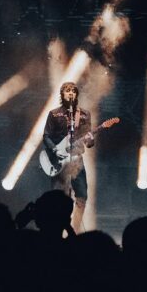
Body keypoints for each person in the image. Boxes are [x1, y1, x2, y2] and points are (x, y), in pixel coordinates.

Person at [43, 82, 94, 234]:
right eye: (67, 91)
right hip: (59, 160)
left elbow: (89, 142)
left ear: (76, 94)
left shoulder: (84, 114)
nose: (70, 93)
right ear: (62, 94)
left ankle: (74, 231)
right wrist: (54, 150)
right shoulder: (54, 114)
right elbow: (46, 136)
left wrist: (91, 140)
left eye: (73, 91)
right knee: (57, 197)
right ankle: (56, 231)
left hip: (77, 159)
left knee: (82, 196)